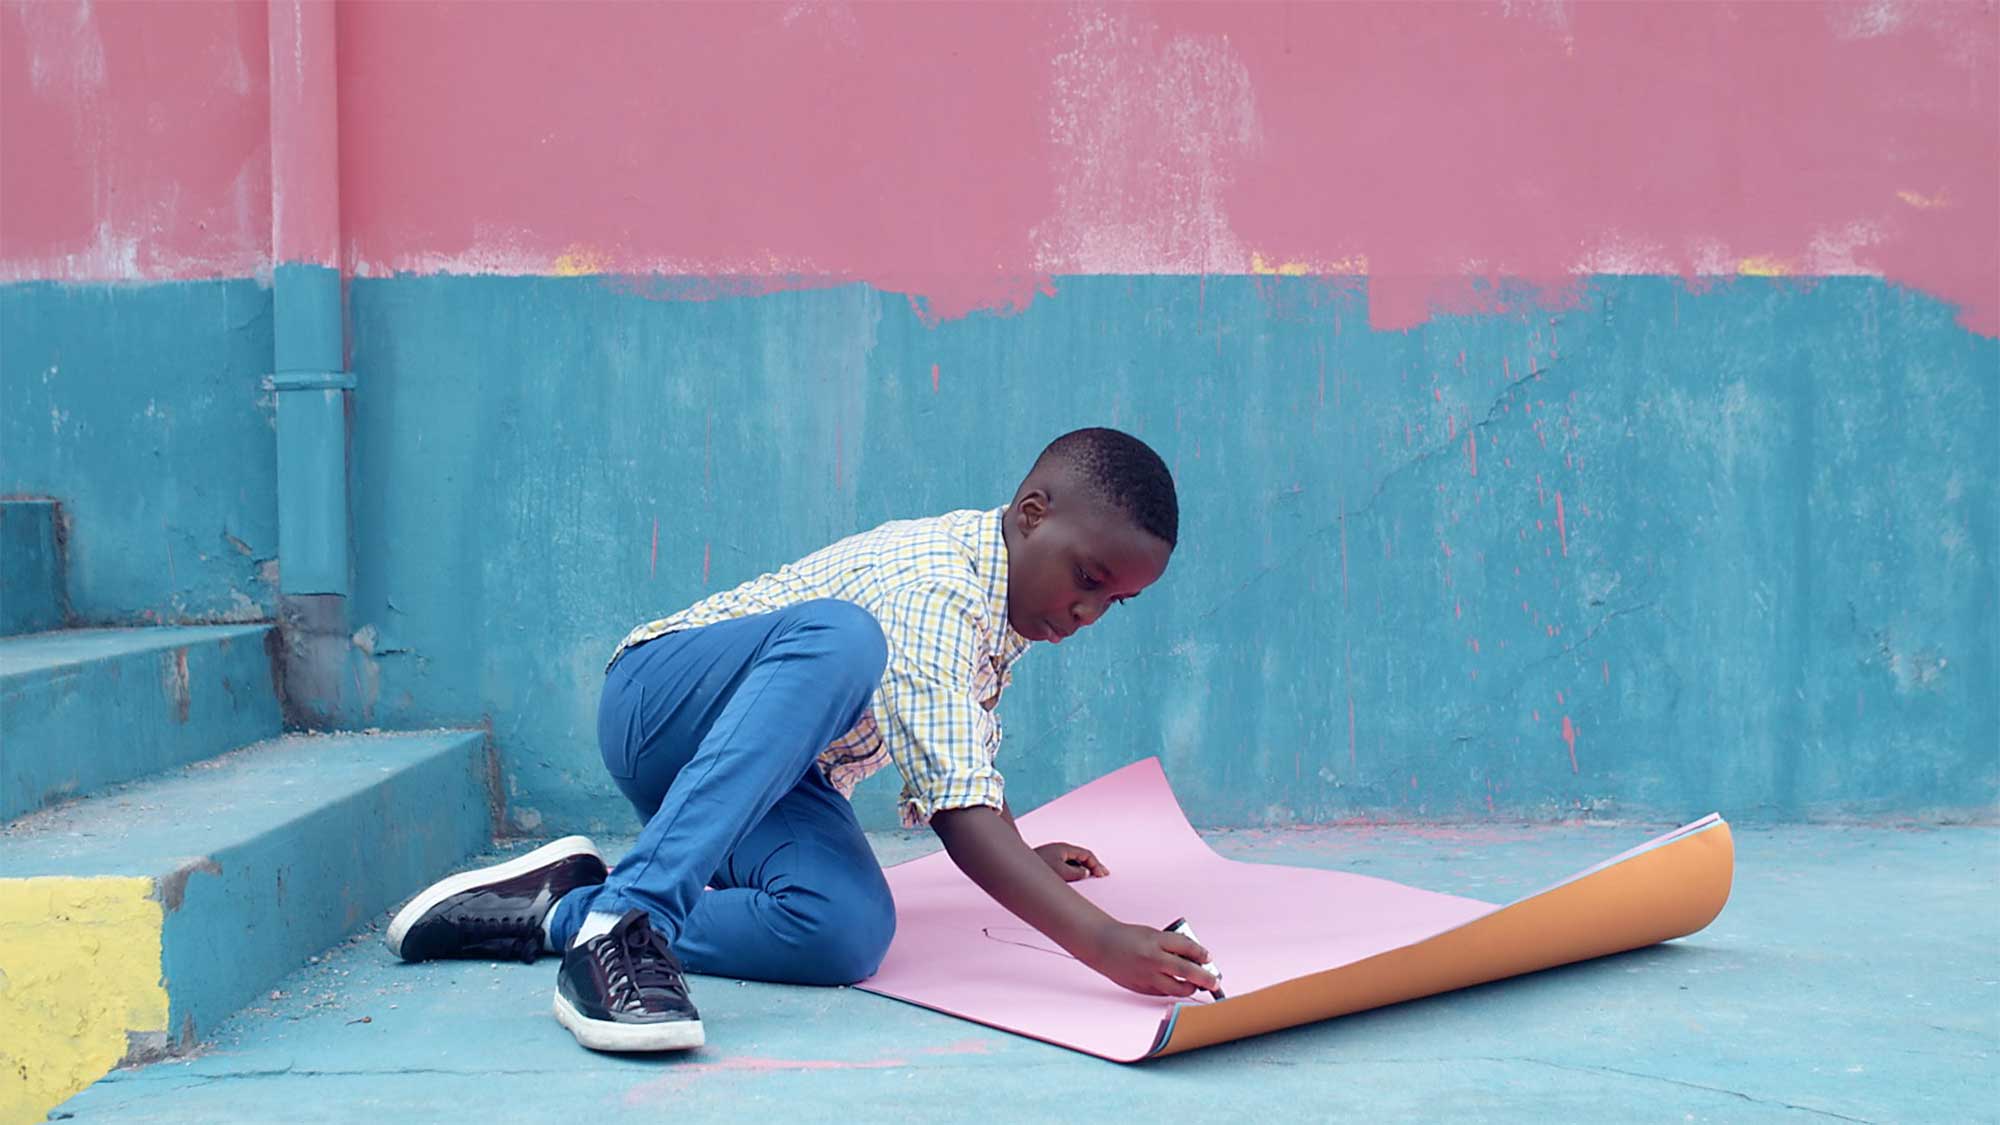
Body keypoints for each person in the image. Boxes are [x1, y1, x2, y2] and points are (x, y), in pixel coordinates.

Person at [384, 427, 1217, 1051]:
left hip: (769, 778)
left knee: (846, 929)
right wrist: (1103, 942)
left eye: (1115, 602)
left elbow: (954, 759)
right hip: (658, 704)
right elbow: (962, 819)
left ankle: (569, 909)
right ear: (1032, 514)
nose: (1087, 612)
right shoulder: (936, 587)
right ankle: (624, 925)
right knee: (844, 639)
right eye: (1089, 580)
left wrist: (1021, 850)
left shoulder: (1003, 609)